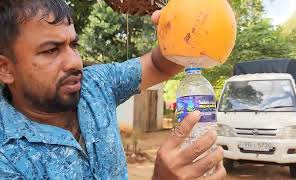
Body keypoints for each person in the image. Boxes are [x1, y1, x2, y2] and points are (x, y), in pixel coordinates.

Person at [0, 1, 225, 179]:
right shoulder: (5, 156)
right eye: (51, 50)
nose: (74, 62)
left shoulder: (95, 84)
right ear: (5, 69)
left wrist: (179, 26)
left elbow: (159, 64)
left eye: (73, 45)